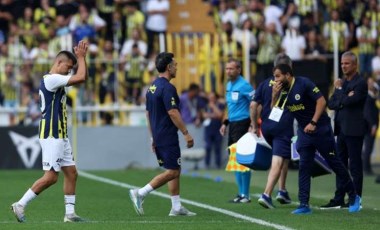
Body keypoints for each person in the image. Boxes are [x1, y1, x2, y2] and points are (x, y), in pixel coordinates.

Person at [11, 40, 89, 222]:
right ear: (58, 63)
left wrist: (78, 61)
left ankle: (70, 214)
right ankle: (20, 204)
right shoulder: (52, 79)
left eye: (71, 69)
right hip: (52, 134)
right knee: (51, 177)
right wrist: (81, 58)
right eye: (68, 68)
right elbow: (81, 78)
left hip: (60, 134)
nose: (69, 71)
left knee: (71, 173)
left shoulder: (56, 81)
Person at [271, 63, 361, 214]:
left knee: (335, 163)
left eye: (278, 76)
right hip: (304, 134)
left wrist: (313, 122)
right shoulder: (284, 92)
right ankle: (304, 205)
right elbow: (275, 113)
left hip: (321, 129)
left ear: (287, 75)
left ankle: (354, 196)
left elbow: (322, 101)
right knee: (304, 167)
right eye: (274, 77)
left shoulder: (304, 83)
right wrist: (274, 96)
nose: (275, 80)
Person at [129, 52, 196, 217]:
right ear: (168, 67)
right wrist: (186, 133)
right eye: (174, 64)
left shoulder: (152, 87)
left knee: (174, 168)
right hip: (167, 134)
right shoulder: (168, 88)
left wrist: (153, 137)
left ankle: (176, 206)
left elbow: (148, 114)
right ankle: (141, 193)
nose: (176, 67)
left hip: (159, 134)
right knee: (173, 171)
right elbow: (173, 112)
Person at [323, 51, 367, 209]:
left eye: (347, 63)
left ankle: (356, 198)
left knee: (354, 165)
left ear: (355, 65)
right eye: (342, 63)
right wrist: (343, 96)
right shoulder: (344, 84)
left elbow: (349, 101)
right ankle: (339, 197)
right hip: (341, 129)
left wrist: (341, 93)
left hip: (354, 130)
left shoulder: (360, 83)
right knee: (340, 164)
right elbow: (332, 103)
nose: (343, 66)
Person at [251, 53, 294, 209]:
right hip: (282, 126)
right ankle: (267, 194)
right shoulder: (291, 84)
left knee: (284, 156)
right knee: (278, 159)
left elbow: (253, 106)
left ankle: (282, 190)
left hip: (266, 127)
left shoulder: (264, 83)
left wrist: (254, 125)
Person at [219, 58, 254, 203]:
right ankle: (240, 194)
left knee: (242, 159)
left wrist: (253, 123)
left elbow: (255, 103)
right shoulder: (228, 85)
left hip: (243, 123)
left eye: (231, 68)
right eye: (227, 68)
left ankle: (246, 194)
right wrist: (224, 122)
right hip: (232, 124)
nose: (228, 71)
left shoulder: (245, 85)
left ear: (239, 70)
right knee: (233, 158)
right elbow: (230, 107)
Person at [201, 91, 225, 169]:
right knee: (208, 147)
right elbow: (204, 115)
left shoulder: (220, 105)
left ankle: (218, 165)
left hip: (217, 129)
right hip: (208, 130)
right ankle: (207, 165)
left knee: (218, 147)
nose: (211, 99)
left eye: (212, 98)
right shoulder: (206, 106)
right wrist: (213, 115)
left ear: (215, 98)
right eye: (210, 97)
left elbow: (220, 115)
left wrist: (213, 107)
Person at [362, 77, 379, 175]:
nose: (372, 84)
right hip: (369, 126)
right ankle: (366, 169)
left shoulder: (372, 96)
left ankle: (366, 167)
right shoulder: (367, 97)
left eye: (373, 82)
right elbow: (368, 113)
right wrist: (373, 125)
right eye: (370, 83)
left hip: (371, 126)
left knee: (368, 148)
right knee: (368, 148)